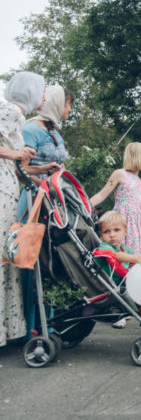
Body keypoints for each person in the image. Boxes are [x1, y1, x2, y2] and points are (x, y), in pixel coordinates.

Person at [16, 84, 75, 340]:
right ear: (56, 103)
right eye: (68, 104)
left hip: (55, 200)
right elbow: (19, 169)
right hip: (34, 199)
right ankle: (31, 325)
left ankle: (49, 321)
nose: (70, 110)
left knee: (52, 260)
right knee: (33, 261)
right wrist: (42, 178)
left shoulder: (54, 133)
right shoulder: (30, 129)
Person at [90, 142, 141, 327]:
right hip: (123, 225)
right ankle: (120, 312)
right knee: (121, 265)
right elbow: (102, 195)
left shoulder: (139, 181)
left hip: (139, 227)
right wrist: (84, 206)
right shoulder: (119, 174)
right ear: (138, 156)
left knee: (136, 267)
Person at [0, 71, 44, 347]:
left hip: (8, 186)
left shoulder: (17, 115)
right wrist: (17, 154)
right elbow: (11, 155)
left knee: (7, 256)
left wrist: (41, 171)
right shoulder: (9, 111)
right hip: (1, 192)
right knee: (4, 255)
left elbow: (15, 166)